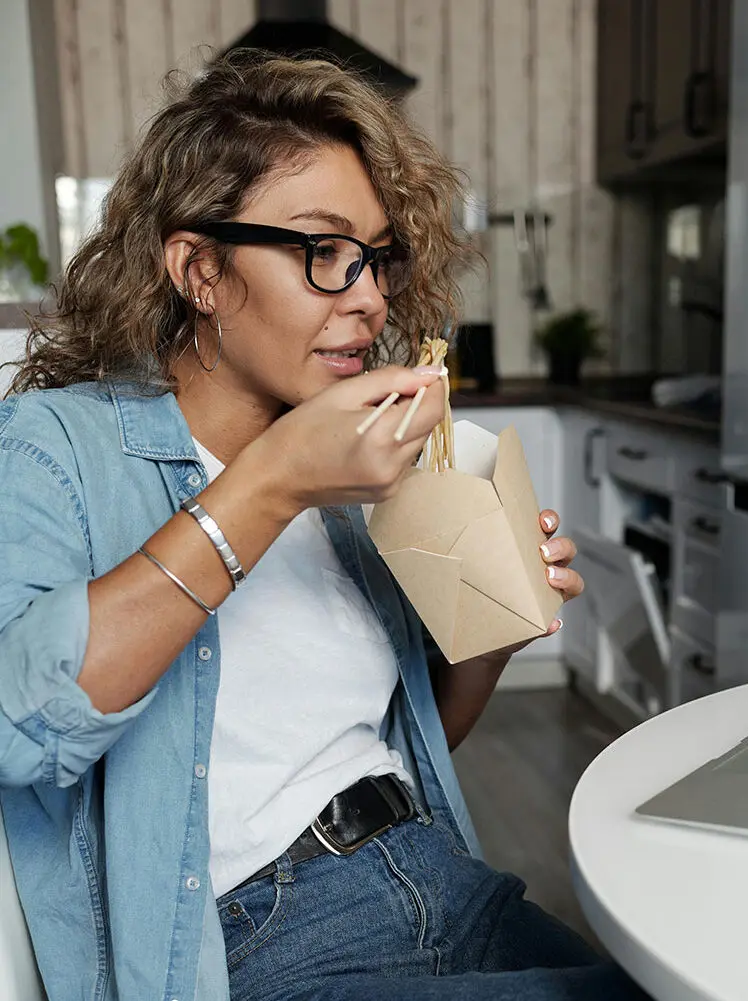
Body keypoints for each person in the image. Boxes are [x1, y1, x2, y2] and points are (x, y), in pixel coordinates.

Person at [0, 51, 648, 1001]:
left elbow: (392, 745)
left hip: (442, 879)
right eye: (324, 251)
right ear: (199, 269)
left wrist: (489, 632)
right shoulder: (58, 446)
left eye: (377, 256)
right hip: (259, 944)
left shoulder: (345, 481)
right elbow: (18, 728)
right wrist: (273, 483)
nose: (370, 296)